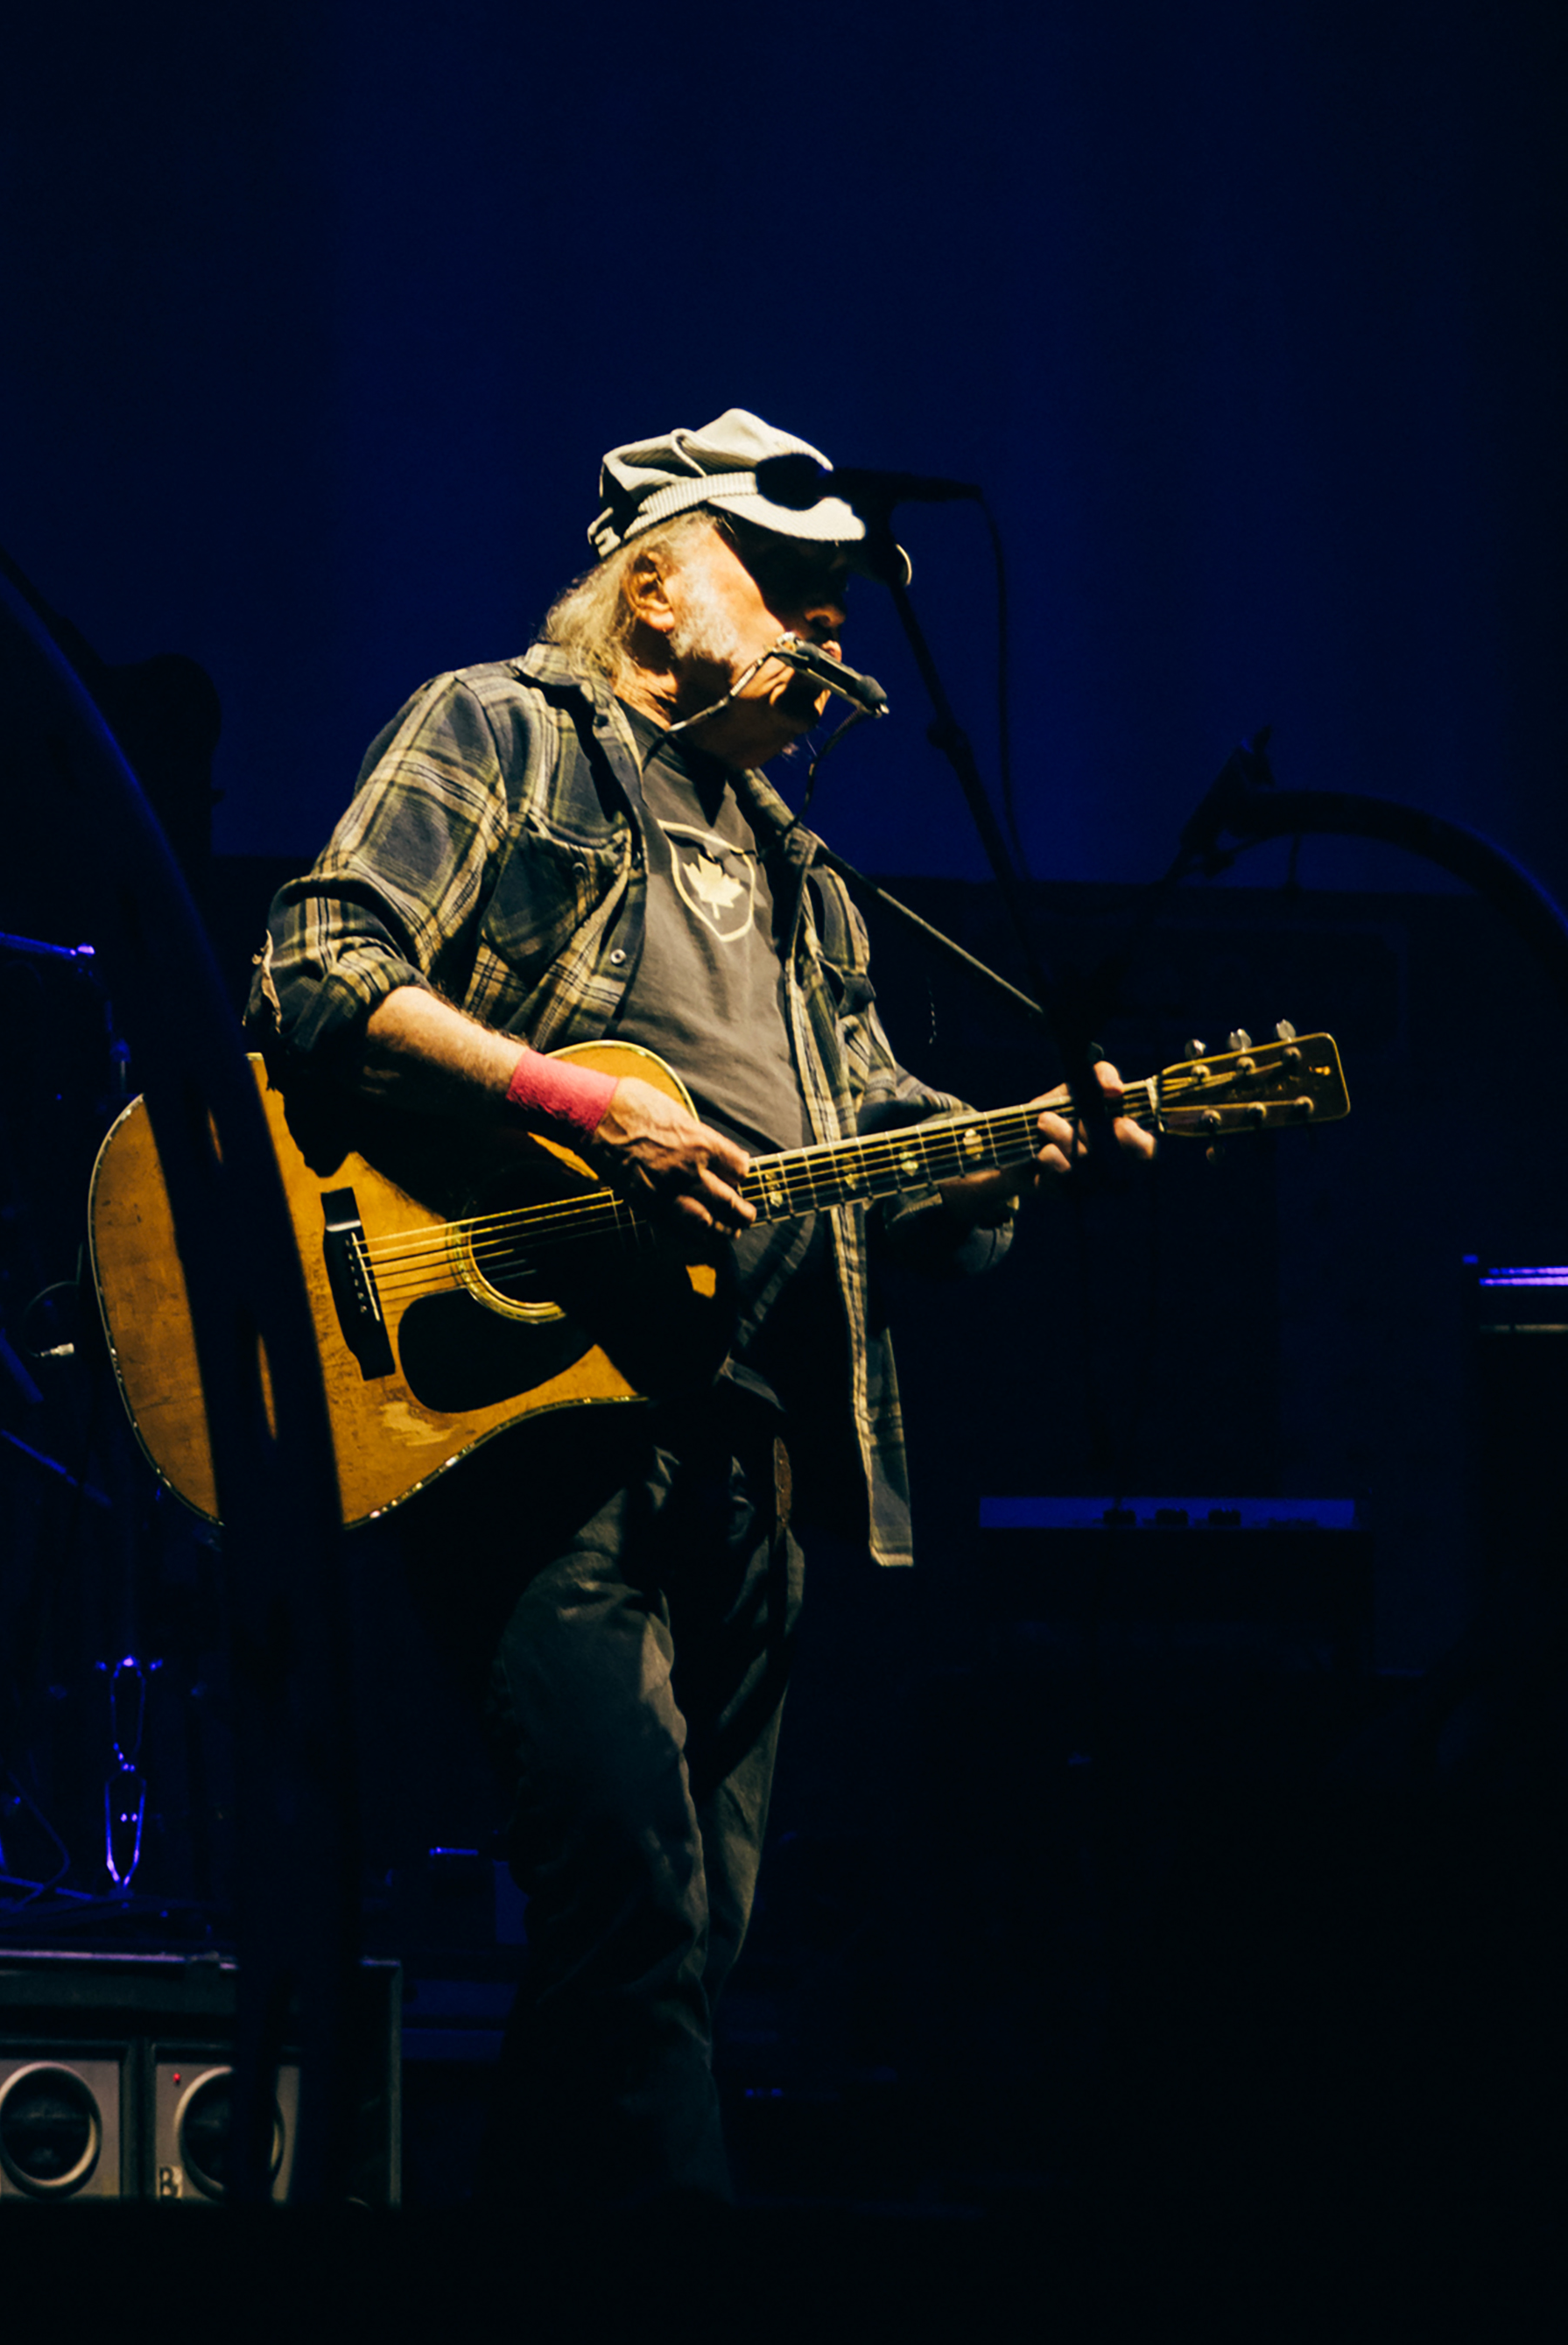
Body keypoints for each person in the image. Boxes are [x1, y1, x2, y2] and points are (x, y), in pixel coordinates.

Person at [248, 407, 1153, 2203]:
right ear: (651, 581)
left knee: (676, 1951)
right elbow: (313, 966)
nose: (832, 630)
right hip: (522, 1410)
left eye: (843, 602)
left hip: (744, 1442)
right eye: (793, 585)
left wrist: (1009, 1157)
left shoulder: (808, 884)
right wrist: (577, 1099)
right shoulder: (504, 732)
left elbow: (882, 1178)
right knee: (638, 1914)